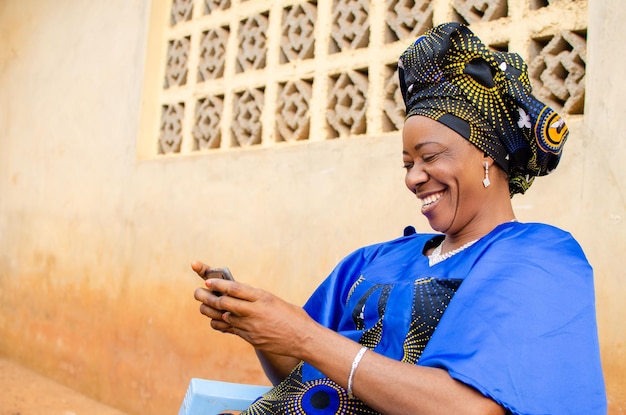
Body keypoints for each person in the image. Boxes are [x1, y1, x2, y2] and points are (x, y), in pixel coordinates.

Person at [193, 22, 606, 414]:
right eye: (407, 163)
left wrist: (303, 335)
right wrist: (259, 325)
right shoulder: (373, 261)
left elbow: (469, 408)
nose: (413, 178)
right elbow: (308, 374)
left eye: (429, 157)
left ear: (487, 155)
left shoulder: (539, 259)